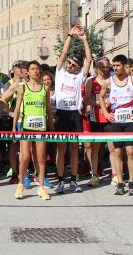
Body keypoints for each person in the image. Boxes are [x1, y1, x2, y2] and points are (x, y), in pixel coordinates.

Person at [100, 55, 133, 195]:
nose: (115, 68)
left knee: (130, 151)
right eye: (113, 66)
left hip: (130, 121)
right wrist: (105, 112)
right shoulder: (108, 81)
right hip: (116, 121)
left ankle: (132, 182)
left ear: (125, 65)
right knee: (117, 152)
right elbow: (100, 96)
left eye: (117, 65)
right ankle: (120, 182)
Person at [53, 25, 93, 194]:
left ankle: (74, 181)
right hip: (62, 114)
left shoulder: (79, 77)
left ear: (78, 67)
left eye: (74, 64)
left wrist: (84, 39)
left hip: (75, 114)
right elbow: (62, 54)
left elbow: (89, 60)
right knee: (61, 150)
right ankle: (61, 180)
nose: (70, 65)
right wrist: (70, 35)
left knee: (74, 149)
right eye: (70, 62)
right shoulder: (60, 73)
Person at [12, 60, 53, 200]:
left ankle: (41, 187)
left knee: (41, 159)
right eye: (33, 69)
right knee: (24, 157)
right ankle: (20, 184)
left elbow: (48, 109)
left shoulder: (45, 88)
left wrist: (51, 127)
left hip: (41, 128)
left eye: (37, 68)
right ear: (27, 72)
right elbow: (17, 108)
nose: (36, 71)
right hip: (26, 127)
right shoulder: (22, 87)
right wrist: (13, 128)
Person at [84, 57, 111, 187]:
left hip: (111, 117)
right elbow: (86, 100)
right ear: (96, 69)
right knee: (95, 147)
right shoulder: (91, 81)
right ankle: (94, 174)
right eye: (102, 67)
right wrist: (99, 103)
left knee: (113, 147)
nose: (105, 69)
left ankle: (116, 175)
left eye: (107, 67)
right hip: (96, 118)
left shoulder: (113, 80)